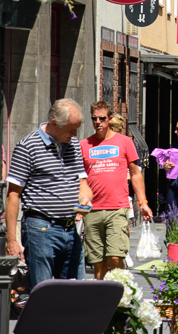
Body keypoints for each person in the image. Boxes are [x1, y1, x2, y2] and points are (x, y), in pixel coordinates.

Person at [6, 99, 92, 288]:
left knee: (75, 290)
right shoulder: (28, 147)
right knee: (43, 291)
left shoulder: (74, 145)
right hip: (41, 228)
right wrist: (12, 240)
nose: (75, 134)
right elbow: (13, 194)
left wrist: (85, 198)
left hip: (70, 228)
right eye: (71, 129)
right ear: (54, 123)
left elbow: (82, 183)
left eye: (77, 129)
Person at [79, 101, 153, 279]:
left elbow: (135, 173)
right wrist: (79, 208)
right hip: (92, 210)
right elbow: (79, 179)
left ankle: (122, 296)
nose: (98, 122)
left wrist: (143, 202)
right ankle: (102, 300)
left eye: (102, 118)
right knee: (98, 262)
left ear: (110, 119)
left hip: (117, 208)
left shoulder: (125, 142)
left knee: (116, 256)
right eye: (94, 118)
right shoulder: (84, 145)